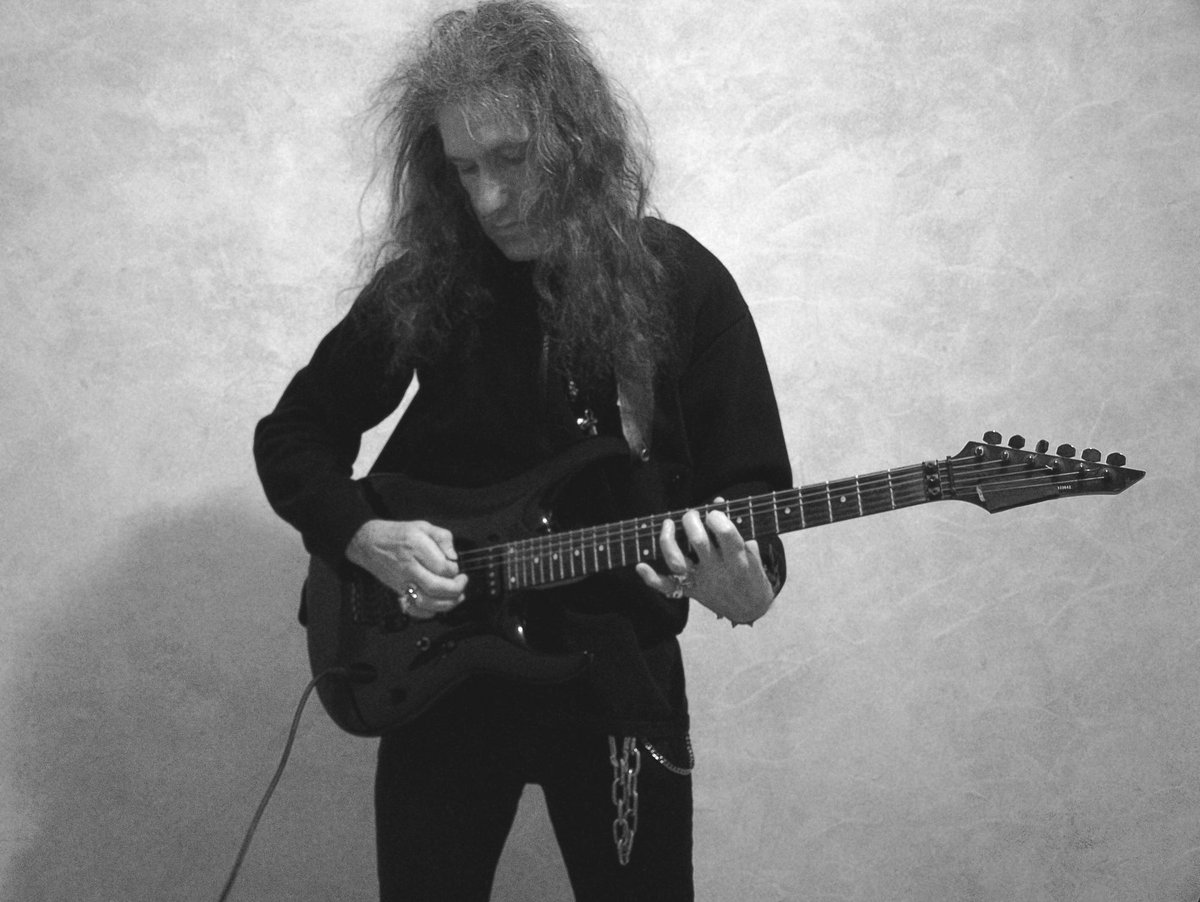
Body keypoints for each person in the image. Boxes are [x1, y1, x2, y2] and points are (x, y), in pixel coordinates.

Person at [253, 1, 791, 899]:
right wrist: (363, 536)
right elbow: (294, 434)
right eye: (464, 168)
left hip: (619, 687)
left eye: (512, 158)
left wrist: (747, 587)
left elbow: (753, 503)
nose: (488, 199)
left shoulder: (682, 283)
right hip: (440, 683)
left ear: (579, 143)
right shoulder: (434, 282)